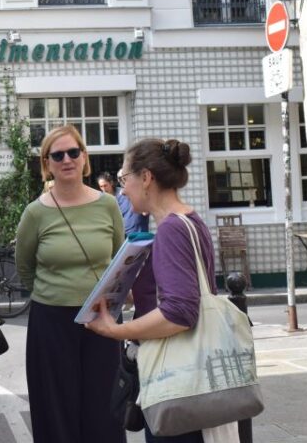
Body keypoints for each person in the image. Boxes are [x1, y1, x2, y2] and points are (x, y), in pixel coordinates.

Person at [85, 138, 219, 443]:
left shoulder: (170, 229)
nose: (122, 190)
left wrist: (115, 331)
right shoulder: (189, 220)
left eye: (124, 179)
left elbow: (179, 312)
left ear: (146, 178)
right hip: (194, 374)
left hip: (176, 379)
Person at [15, 125, 126, 443]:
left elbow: (119, 258)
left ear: (84, 158)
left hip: (101, 318)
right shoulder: (35, 213)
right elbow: (25, 268)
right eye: (57, 154)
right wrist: (57, 291)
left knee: (104, 407)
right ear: (47, 163)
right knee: (55, 407)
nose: (67, 159)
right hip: (51, 320)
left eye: (73, 152)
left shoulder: (108, 205)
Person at [97, 171, 150, 235]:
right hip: (121, 235)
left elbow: (144, 209)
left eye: (105, 185)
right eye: (101, 186)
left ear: (111, 183)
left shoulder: (124, 193)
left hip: (138, 232)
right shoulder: (102, 200)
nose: (104, 189)